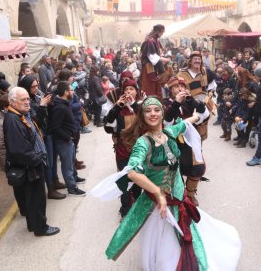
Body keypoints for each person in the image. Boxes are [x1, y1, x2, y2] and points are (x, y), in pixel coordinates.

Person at [91, 96, 241, 270]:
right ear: (142, 116)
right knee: (165, 246)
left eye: (156, 110)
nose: (153, 114)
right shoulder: (143, 143)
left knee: (188, 238)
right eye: (148, 111)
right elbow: (132, 172)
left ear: (163, 114)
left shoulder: (169, 133)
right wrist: (158, 194)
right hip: (159, 206)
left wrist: (194, 112)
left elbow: (188, 122)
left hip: (179, 197)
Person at [3, 87, 59, 236]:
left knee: (33, 198)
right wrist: (38, 159)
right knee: (37, 199)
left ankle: (33, 225)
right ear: (13, 102)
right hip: (31, 166)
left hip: (32, 164)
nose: (27, 102)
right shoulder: (12, 120)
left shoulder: (20, 114)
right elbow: (18, 150)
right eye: (23, 100)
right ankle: (41, 228)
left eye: (28, 99)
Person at [163, 77, 210, 206]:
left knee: (197, 167)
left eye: (183, 86)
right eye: (177, 87)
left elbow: (204, 115)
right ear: (171, 89)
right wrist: (176, 103)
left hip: (191, 140)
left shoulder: (189, 100)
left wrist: (192, 101)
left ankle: (190, 194)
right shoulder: (166, 102)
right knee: (175, 168)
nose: (180, 89)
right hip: (173, 140)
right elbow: (167, 122)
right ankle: (179, 194)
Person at [103, 79, 142, 218]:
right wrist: (117, 107)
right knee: (125, 180)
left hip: (139, 151)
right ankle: (126, 209)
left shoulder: (142, 106)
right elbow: (108, 127)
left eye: (131, 89)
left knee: (138, 180)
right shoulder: (118, 109)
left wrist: (134, 105)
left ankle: (138, 205)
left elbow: (147, 122)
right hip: (123, 150)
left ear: (136, 91)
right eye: (126, 90)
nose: (128, 92)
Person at [140, 24, 171, 98]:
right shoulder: (149, 41)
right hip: (149, 68)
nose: (162, 34)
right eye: (161, 32)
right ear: (157, 31)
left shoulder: (156, 40)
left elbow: (160, 53)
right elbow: (153, 58)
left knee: (157, 88)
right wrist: (166, 60)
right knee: (150, 89)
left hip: (155, 68)